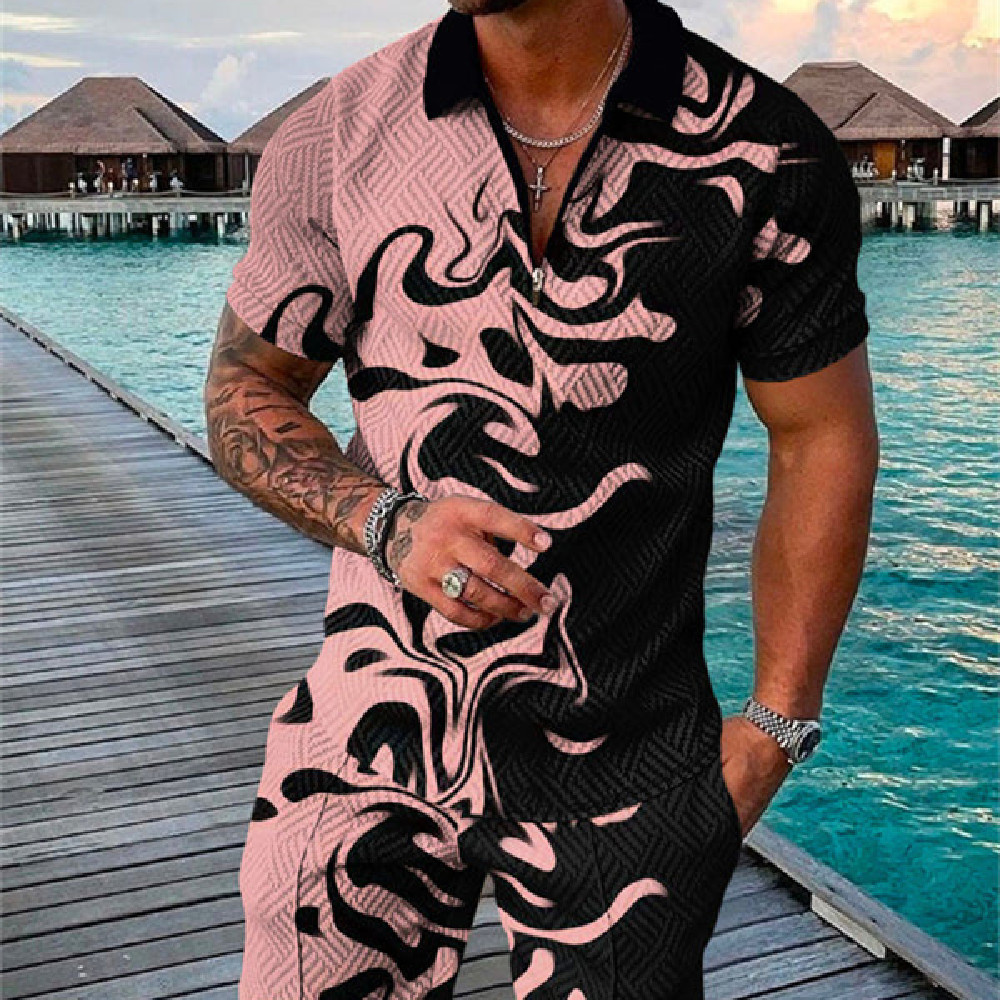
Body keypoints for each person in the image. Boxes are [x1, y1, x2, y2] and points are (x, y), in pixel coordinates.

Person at [205, 0, 878, 996]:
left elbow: (819, 433)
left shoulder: (763, 149)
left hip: (631, 767)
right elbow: (245, 388)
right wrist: (386, 523)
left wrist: (778, 724)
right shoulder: (337, 135)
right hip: (361, 745)